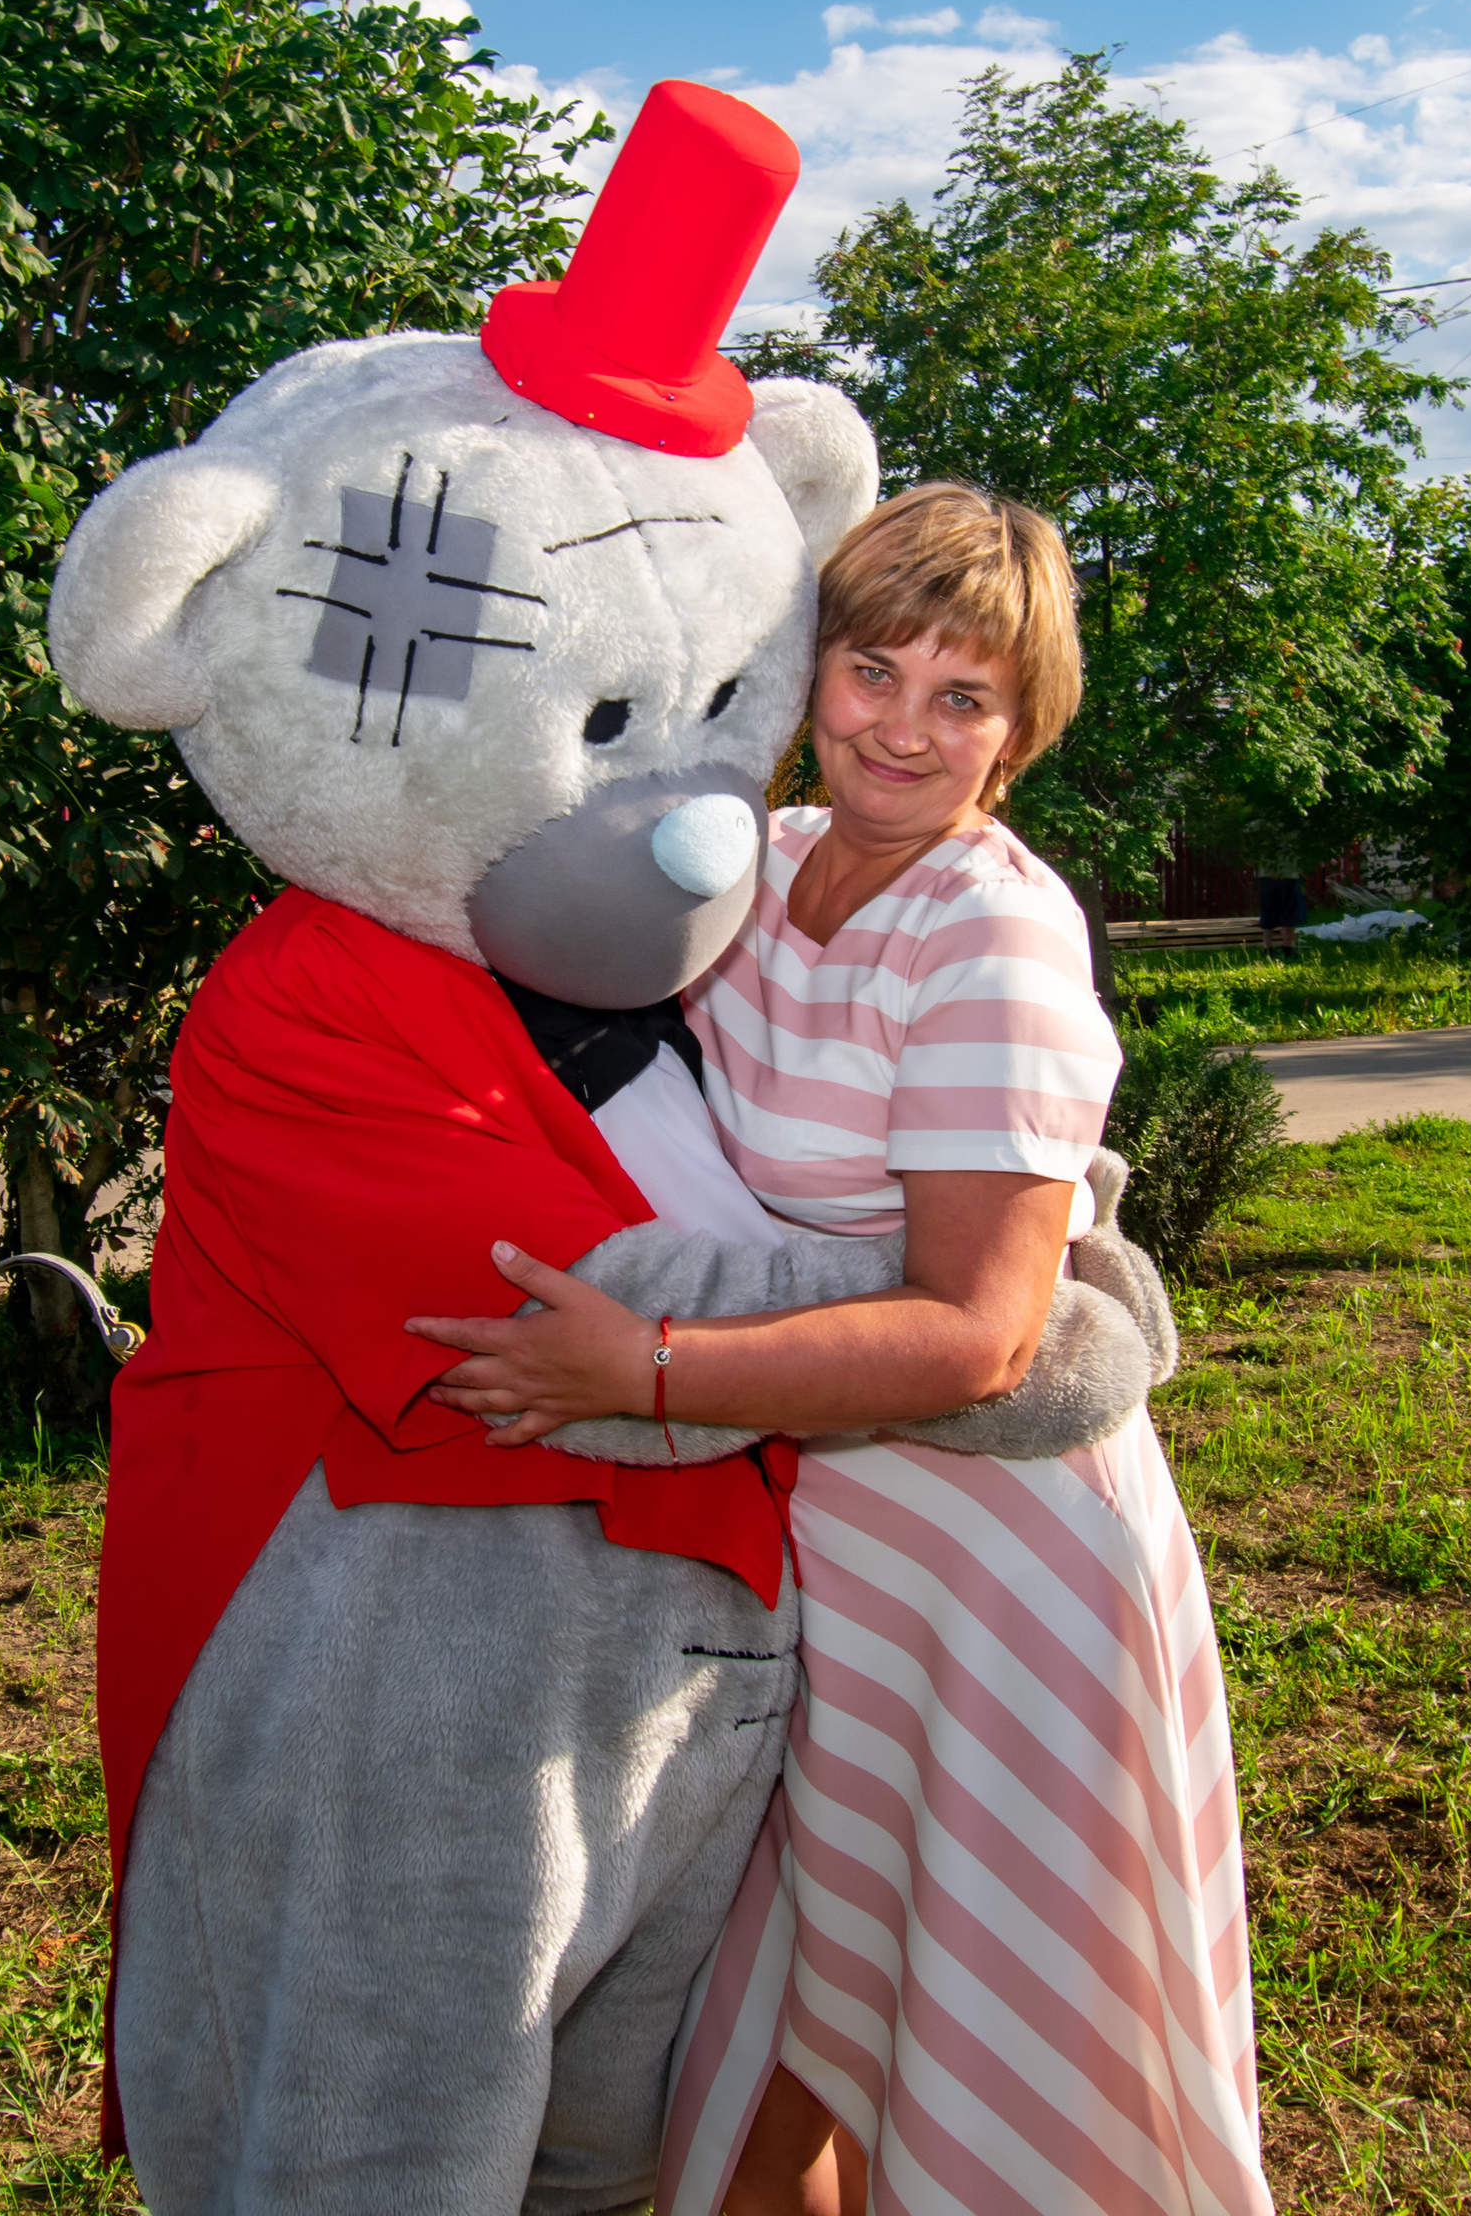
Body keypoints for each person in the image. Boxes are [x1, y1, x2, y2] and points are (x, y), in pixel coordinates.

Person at [409, 482, 1270, 2216]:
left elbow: (977, 1334)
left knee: (974, 2028)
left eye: (966, 697)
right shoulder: (768, 859)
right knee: (800, 2009)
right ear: (813, 671)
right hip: (825, 1532)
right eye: (876, 670)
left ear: (1023, 730)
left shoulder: (996, 938)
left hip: (998, 1569)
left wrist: (641, 1373)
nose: (904, 728)